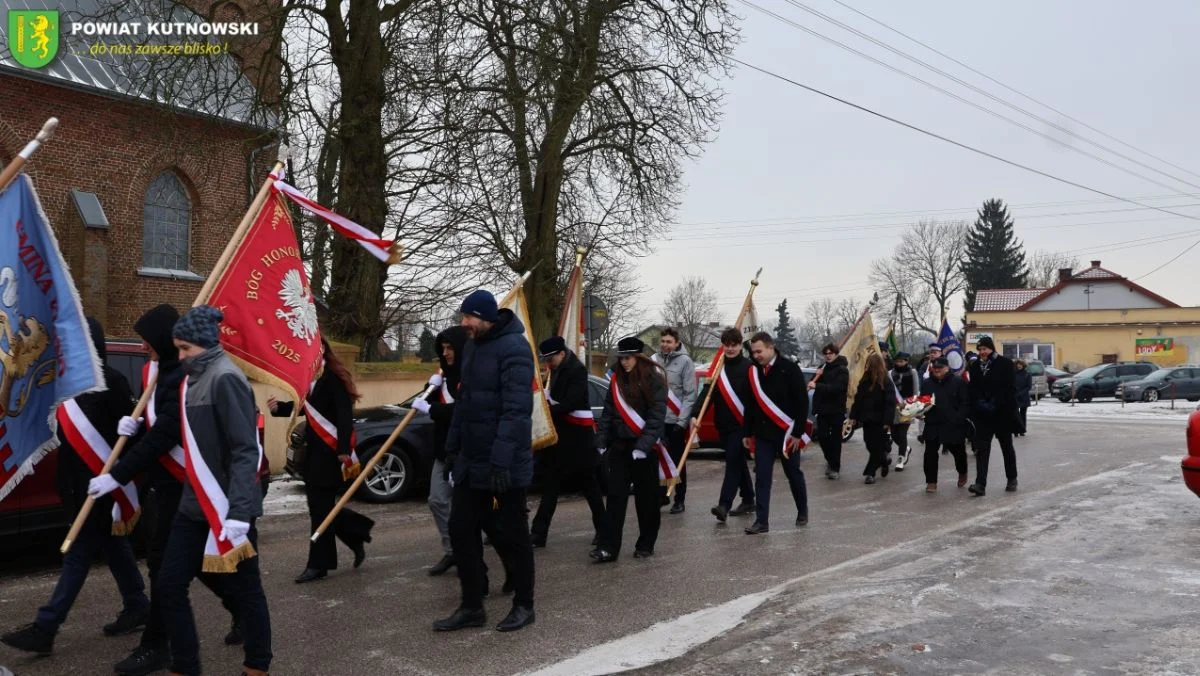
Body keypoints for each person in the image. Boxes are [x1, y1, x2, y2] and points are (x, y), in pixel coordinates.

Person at [79, 305, 242, 676]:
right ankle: (240, 612)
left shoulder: (183, 378)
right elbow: (154, 427)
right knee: (184, 565)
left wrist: (117, 475)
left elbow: (167, 433)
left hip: (186, 483)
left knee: (165, 569)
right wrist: (132, 428)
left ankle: (158, 646)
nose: (142, 347)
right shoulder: (159, 373)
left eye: (147, 340)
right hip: (165, 483)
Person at [124, 305, 271, 676]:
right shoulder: (190, 380)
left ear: (205, 345)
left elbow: (244, 450)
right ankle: (185, 666)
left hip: (228, 508)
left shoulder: (226, 378)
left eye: (186, 348)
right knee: (170, 584)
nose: (180, 356)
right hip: (194, 504)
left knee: (246, 591)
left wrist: (238, 513)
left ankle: (257, 665)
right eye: (177, 348)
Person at [1, 318, 149, 657]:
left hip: (100, 487)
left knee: (78, 555)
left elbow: (132, 436)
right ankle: (137, 603)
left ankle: (46, 627)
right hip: (73, 484)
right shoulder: (65, 385)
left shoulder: (111, 383)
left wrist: (131, 431)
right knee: (114, 546)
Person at [434, 289, 536, 633]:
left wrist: (501, 461)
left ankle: (524, 604)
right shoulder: (474, 347)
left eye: (468, 318)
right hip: (470, 461)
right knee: (461, 531)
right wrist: (452, 449)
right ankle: (472, 606)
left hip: (502, 465)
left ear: (485, 317)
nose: (463, 324)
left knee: (513, 536)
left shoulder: (515, 349)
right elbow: (464, 405)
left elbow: (517, 411)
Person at [269, 338, 374, 583]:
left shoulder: (333, 379)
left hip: (330, 455)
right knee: (321, 508)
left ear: (322, 352)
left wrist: (342, 450)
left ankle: (319, 564)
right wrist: (279, 409)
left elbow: (345, 416)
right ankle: (357, 532)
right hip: (314, 454)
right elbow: (304, 408)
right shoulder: (311, 381)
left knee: (320, 509)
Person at [591, 337, 668, 562]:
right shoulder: (615, 380)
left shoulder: (654, 379)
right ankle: (608, 547)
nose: (624, 362)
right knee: (615, 499)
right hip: (620, 447)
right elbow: (607, 414)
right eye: (622, 358)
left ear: (638, 357)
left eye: (628, 358)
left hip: (644, 450)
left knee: (647, 500)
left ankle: (645, 544)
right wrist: (601, 441)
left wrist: (643, 446)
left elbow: (656, 416)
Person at [530, 336, 609, 548]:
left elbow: (571, 402)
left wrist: (546, 409)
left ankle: (603, 530)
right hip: (561, 438)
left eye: (551, 358)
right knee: (551, 485)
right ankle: (538, 533)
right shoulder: (556, 370)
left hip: (579, 439)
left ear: (562, 354)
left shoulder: (577, 371)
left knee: (590, 485)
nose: (548, 363)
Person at [412, 326, 468, 576]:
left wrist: (430, 409)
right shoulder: (442, 377)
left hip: (466, 450)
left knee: (468, 508)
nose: (445, 353)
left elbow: (463, 413)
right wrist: (430, 387)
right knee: (436, 499)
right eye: (442, 348)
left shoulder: (471, 375)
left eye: (450, 348)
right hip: (443, 450)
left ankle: (471, 552)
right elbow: (431, 401)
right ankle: (453, 550)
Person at [744, 332, 810, 534]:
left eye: (759, 351)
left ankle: (802, 510)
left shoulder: (789, 369)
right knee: (762, 477)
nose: (756, 355)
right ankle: (762, 521)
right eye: (754, 352)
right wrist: (747, 433)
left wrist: (797, 433)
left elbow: (802, 403)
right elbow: (750, 404)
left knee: (793, 474)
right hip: (764, 434)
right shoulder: (753, 372)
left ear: (770, 347)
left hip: (787, 434)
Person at [695, 328, 756, 522]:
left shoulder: (749, 368)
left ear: (740, 346)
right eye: (727, 345)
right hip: (722, 425)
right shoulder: (717, 368)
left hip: (742, 425)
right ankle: (748, 499)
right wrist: (696, 414)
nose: (730, 349)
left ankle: (724, 504)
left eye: (734, 345)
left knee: (732, 461)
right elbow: (707, 394)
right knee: (737, 462)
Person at [652, 327, 697, 513]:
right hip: (658, 420)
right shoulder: (653, 361)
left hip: (676, 420)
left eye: (669, 342)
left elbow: (689, 394)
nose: (665, 345)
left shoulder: (685, 362)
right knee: (659, 458)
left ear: (677, 343)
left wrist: (682, 421)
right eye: (663, 341)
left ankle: (680, 498)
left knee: (678, 460)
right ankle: (662, 495)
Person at [966, 337, 1018, 496]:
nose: (982, 352)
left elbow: (1010, 387)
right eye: (980, 349)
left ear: (992, 349)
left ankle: (1012, 478)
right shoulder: (974, 366)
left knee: (1006, 447)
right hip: (983, 415)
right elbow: (972, 388)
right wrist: (978, 402)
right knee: (982, 449)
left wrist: (996, 402)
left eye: (985, 349)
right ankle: (980, 484)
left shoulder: (1005, 363)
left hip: (1001, 413)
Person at [920, 356, 971, 493]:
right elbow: (922, 401)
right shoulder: (927, 383)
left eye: (940, 368)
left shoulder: (958, 382)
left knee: (958, 452)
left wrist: (959, 418)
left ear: (947, 368)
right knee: (930, 453)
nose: (936, 370)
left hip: (952, 424)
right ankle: (931, 482)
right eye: (934, 368)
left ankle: (962, 471)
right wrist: (919, 411)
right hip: (933, 423)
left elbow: (965, 402)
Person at [849, 354, 896, 484]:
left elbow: (889, 403)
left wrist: (887, 421)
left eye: (870, 364)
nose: (868, 366)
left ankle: (870, 473)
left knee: (876, 447)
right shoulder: (865, 380)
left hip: (880, 420)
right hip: (867, 418)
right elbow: (858, 400)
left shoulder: (886, 381)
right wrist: (854, 416)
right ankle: (884, 461)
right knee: (869, 444)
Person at [808, 343, 848, 480]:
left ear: (836, 354)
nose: (828, 356)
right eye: (826, 353)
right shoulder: (822, 368)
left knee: (836, 439)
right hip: (822, 410)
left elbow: (837, 388)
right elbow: (812, 383)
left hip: (836, 409)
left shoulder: (842, 369)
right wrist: (816, 376)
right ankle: (830, 460)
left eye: (831, 353)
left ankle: (835, 467)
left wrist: (817, 385)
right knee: (822, 437)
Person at [889, 352, 920, 471]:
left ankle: (901, 458)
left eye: (901, 361)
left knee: (902, 433)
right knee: (894, 434)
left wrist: (913, 406)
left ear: (907, 361)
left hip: (908, 407)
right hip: (894, 407)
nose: (899, 363)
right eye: (897, 361)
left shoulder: (913, 372)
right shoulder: (891, 373)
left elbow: (916, 391)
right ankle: (906, 448)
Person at [916, 343, 942, 445]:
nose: (932, 354)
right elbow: (920, 376)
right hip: (926, 395)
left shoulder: (944, 364)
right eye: (931, 352)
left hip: (939, 394)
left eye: (935, 352)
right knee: (922, 414)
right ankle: (921, 434)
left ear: (940, 353)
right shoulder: (925, 364)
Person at [1013, 359, 1032, 437]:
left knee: (1023, 414)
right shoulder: (1013, 374)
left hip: (1024, 397)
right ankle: (1016, 430)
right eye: (1017, 364)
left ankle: (1022, 430)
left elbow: (1029, 386)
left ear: (1023, 365)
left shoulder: (1027, 374)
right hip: (1014, 396)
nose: (1019, 365)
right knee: (1015, 414)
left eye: (1020, 364)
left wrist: (1021, 393)